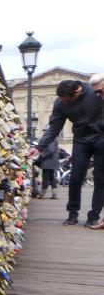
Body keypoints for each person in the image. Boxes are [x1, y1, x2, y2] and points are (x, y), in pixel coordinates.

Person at [35, 78, 104, 226]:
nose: (65, 103)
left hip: (101, 138)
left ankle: (93, 217)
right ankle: (72, 214)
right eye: (63, 100)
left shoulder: (96, 93)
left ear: (78, 90)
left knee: (100, 179)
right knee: (75, 177)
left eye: (68, 100)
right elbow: (54, 127)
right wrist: (39, 147)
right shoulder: (60, 103)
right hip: (80, 140)